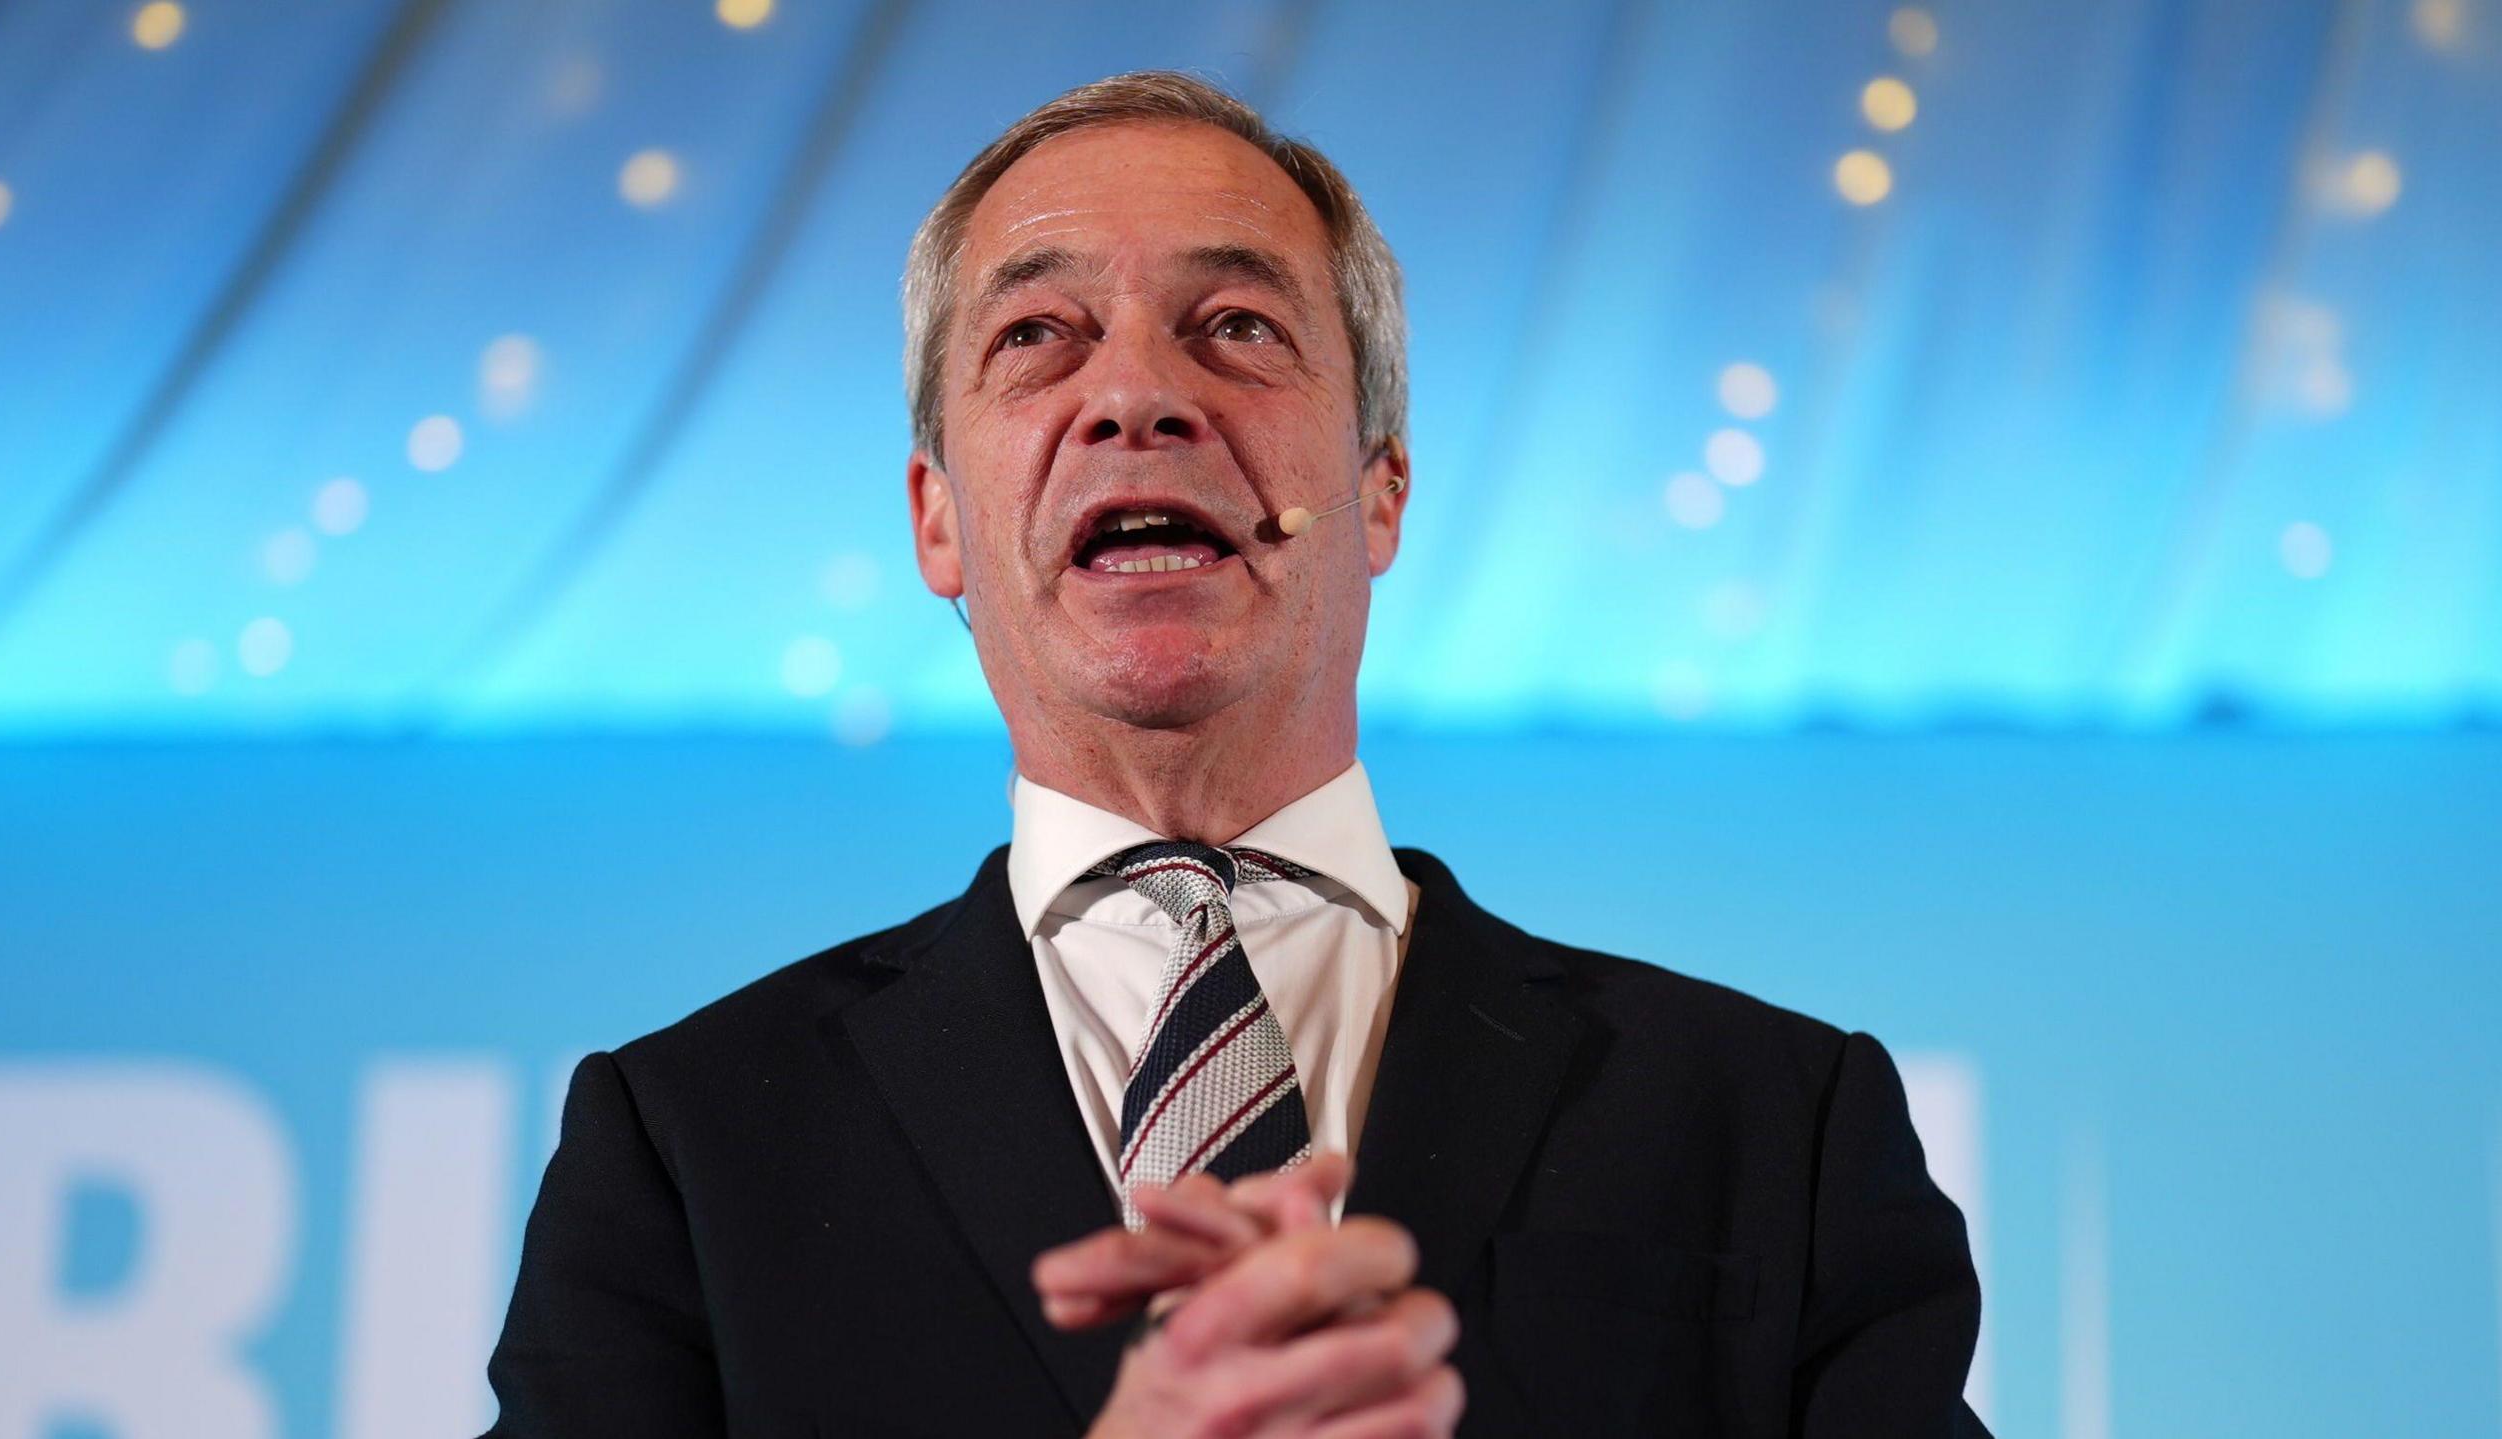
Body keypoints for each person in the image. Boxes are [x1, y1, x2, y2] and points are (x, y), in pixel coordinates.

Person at [481, 70, 1986, 1437]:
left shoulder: (1773, 1124)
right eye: (1037, 337)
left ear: (1381, 489)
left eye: (1239, 329)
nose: (1138, 397)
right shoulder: (687, 1152)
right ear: (936, 517)